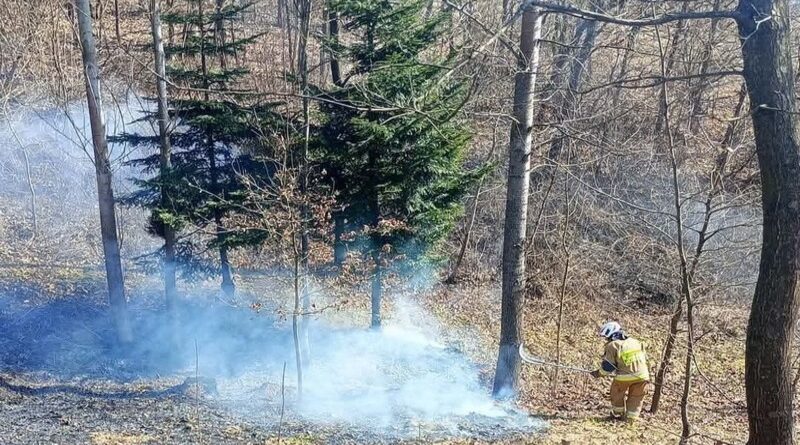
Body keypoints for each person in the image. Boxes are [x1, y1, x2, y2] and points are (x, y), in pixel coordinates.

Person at [589, 321, 650, 421]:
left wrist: (598, 373)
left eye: (606, 337)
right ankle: (631, 420)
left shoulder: (612, 345)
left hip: (624, 376)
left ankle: (618, 414)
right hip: (643, 376)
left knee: (616, 392)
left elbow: (608, 367)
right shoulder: (636, 342)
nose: (606, 339)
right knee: (636, 397)